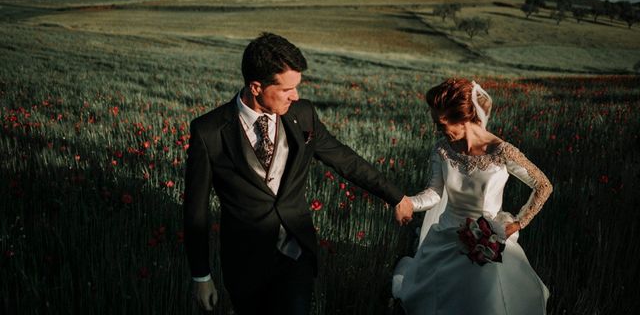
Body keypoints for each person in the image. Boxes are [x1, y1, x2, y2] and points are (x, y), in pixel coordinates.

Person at [184, 32, 413, 315]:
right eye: (286, 89)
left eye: (297, 87)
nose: (296, 95)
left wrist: (396, 197)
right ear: (256, 87)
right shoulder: (208, 131)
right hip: (244, 263)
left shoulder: (302, 114)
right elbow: (195, 212)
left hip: (296, 253)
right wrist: (201, 276)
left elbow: (344, 159)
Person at [392, 78, 553, 314]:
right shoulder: (442, 149)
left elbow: (543, 185)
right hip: (446, 239)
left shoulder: (501, 151)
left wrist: (517, 223)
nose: (438, 130)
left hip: (486, 242)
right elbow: (434, 194)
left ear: (464, 119)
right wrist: (407, 202)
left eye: (441, 124)